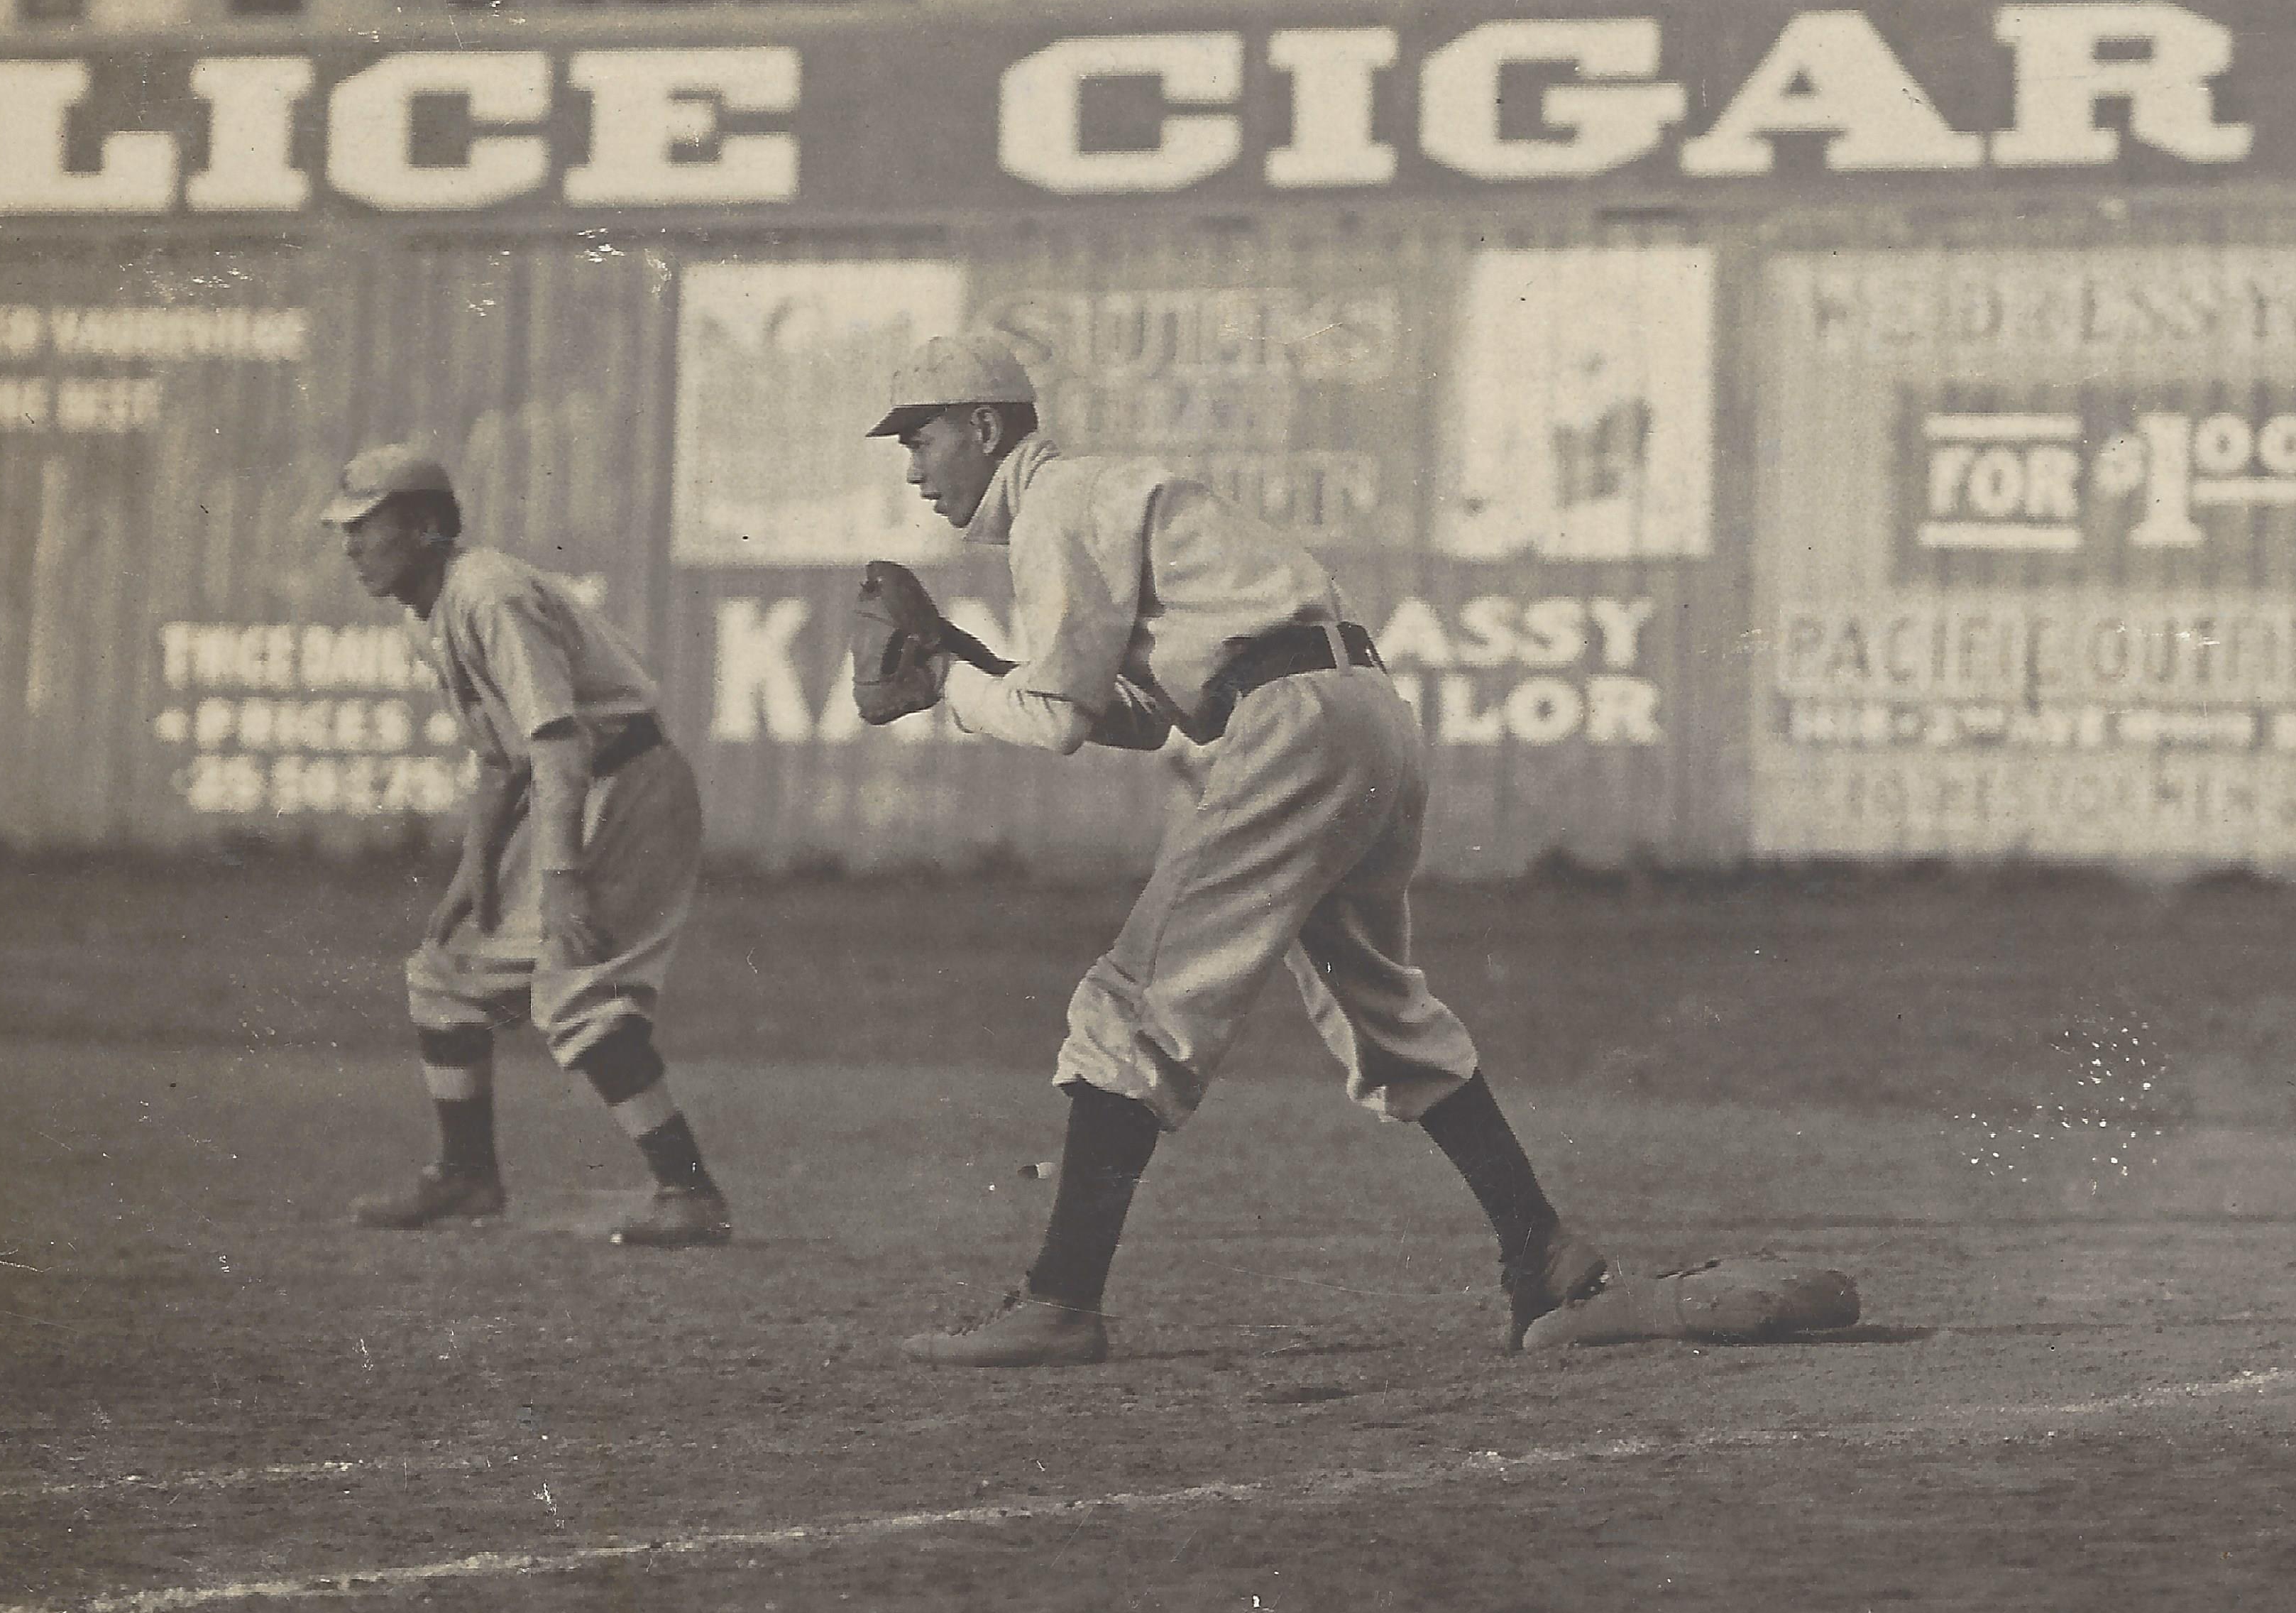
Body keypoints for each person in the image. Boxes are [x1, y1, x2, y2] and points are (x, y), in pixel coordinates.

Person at [852, 332, 1623, 1368]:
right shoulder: (1094, 495)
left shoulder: (1056, 505)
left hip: (1293, 720)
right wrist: (973, 664)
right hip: (1360, 712)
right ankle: (1543, 1250)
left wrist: (948, 680)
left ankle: (1061, 1299)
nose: (912, 469)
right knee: (1379, 1009)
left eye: (922, 438)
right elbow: (1136, 717)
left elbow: (1054, 721)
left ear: (985, 428)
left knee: (1134, 1002)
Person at [325, 446, 729, 1247]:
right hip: (574, 788)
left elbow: (558, 744)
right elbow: (501, 759)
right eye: (345, 529)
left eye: (366, 526)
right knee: (448, 974)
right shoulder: (428, 615)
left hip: (626, 786)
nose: (352, 546)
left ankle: (689, 1193)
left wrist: (562, 880)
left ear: (426, 527)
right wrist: (473, 871)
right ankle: (466, 1175)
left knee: (579, 988)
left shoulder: (490, 594)